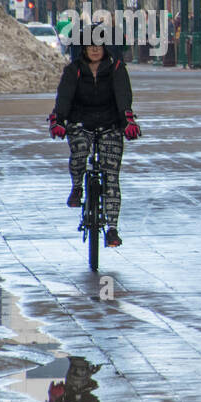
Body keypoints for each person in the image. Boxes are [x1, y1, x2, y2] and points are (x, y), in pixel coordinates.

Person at [48, 43, 141, 248]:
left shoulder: (116, 68)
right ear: (83, 49)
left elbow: (124, 97)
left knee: (111, 174)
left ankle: (112, 229)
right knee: (80, 151)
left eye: (99, 46)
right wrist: (58, 120)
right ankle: (77, 187)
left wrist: (128, 122)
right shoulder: (74, 71)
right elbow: (64, 97)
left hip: (110, 124)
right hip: (81, 122)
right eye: (90, 46)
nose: (95, 50)